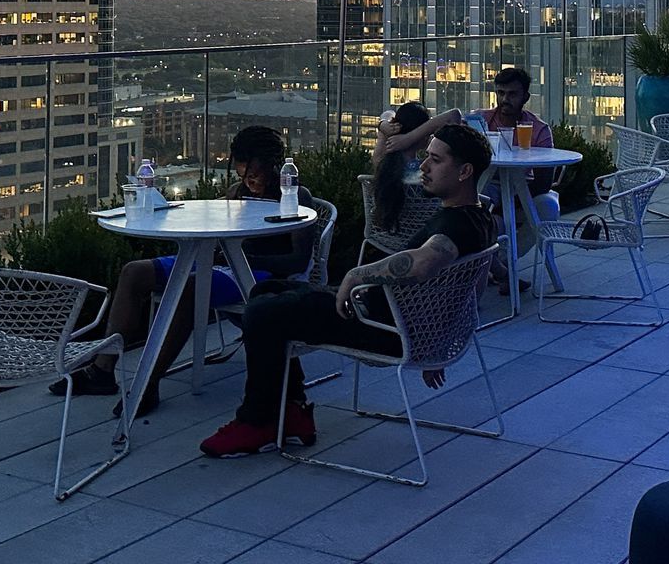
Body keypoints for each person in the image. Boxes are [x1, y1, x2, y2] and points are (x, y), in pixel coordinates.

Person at [198, 122, 497, 458]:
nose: (424, 167)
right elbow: (471, 287)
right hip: (390, 318)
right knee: (266, 289)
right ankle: (293, 411)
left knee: (264, 312)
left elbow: (423, 262)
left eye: (436, 161)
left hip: (379, 326)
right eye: (426, 157)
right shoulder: (481, 218)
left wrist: (356, 275)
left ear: (464, 172)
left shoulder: (457, 225)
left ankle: (255, 423)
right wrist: (439, 335)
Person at [53, 125, 314, 416]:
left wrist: (245, 257)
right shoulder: (235, 193)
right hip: (220, 264)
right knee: (133, 273)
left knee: (191, 289)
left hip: (261, 275)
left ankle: (149, 382)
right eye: (242, 175)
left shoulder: (296, 195)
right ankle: (103, 370)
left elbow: (298, 262)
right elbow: (219, 227)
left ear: (272, 165)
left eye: (253, 175)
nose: (249, 182)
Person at [376, 65, 558, 274]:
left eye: (512, 94)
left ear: (525, 96)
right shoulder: (478, 121)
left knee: (546, 206)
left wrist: (384, 127)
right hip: (482, 185)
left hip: (520, 189)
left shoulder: (385, 165)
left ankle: (501, 259)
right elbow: (452, 120)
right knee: (482, 210)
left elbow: (544, 183)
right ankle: (493, 263)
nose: (505, 99)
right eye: (501, 93)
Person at [368, 101, 433, 238]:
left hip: (387, 237)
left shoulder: (382, 162)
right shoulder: (427, 169)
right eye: (427, 129)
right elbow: (453, 116)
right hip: (424, 238)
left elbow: (386, 114)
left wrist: (383, 125)